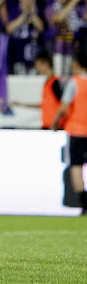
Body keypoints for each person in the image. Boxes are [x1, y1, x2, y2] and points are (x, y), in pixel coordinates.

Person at [51, 52, 87, 216]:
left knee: (76, 167)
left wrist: (56, 121)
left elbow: (64, 108)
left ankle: (84, 203)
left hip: (77, 131)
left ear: (77, 64)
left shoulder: (75, 83)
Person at [11, 52, 65, 129]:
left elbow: (64, 105)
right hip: (48, 125)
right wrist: (21, 104)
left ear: (46, 64)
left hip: (55, 126)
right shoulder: (48, 83)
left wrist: (56, 121)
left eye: (38, 65)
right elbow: (44, 105)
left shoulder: (55, 83)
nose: (37, 68)